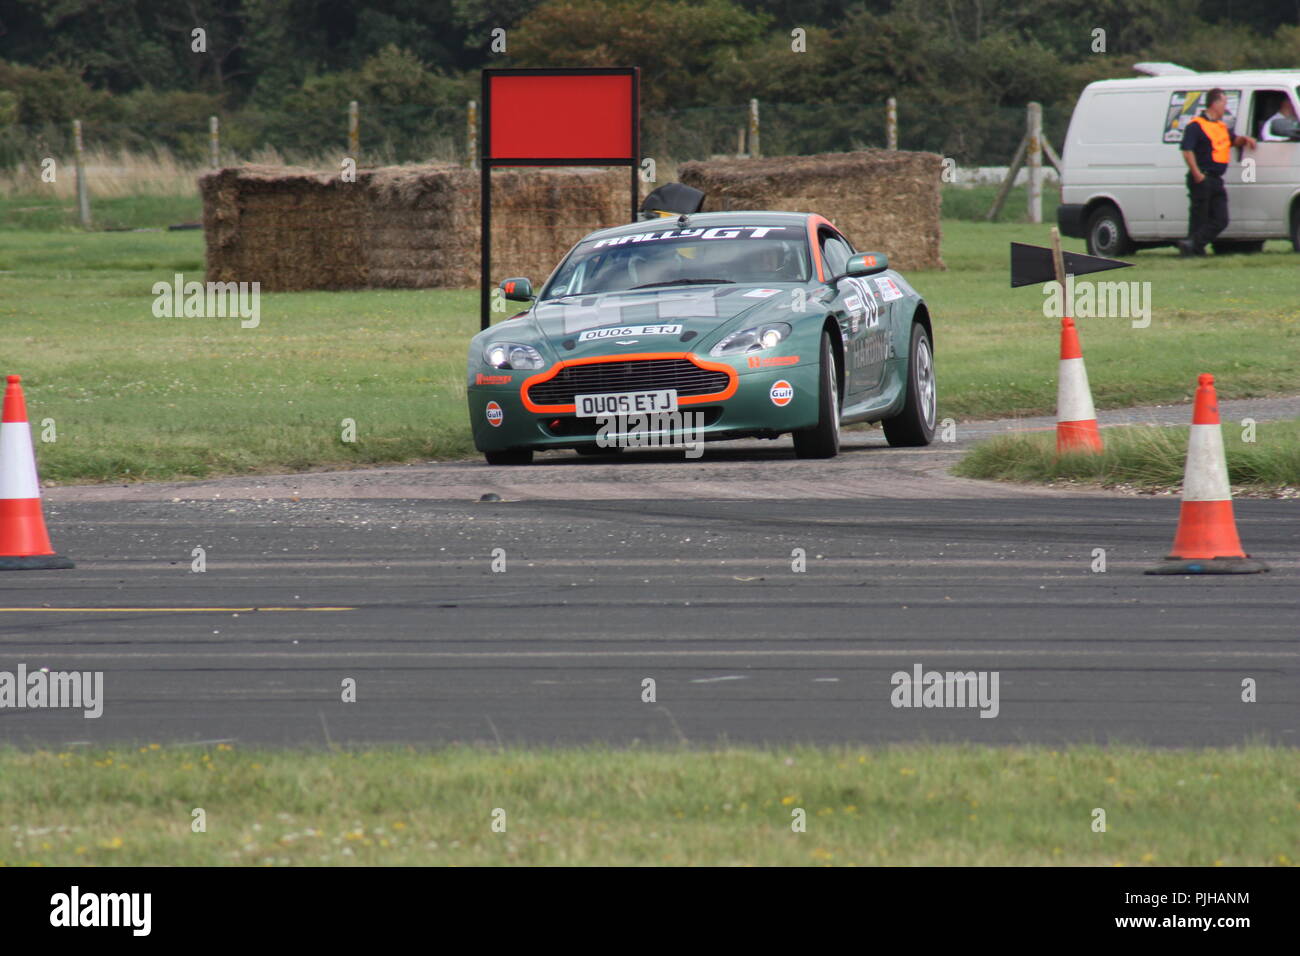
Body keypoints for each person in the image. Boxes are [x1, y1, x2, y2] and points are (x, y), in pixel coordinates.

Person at [1177, 88, 1256, 257]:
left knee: (1221, 219)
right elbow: (1187, 150)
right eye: (1224, 103)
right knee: (1199, 218)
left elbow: (1232, 140)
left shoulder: (1221, 126)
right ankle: (1194, 251)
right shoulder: (1196, 125)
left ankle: (1191, 245)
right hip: (1202, 177)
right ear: (1215, 103)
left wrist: (1246, 140)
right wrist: (1197, 174)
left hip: (1216, 179)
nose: (1225, 108)